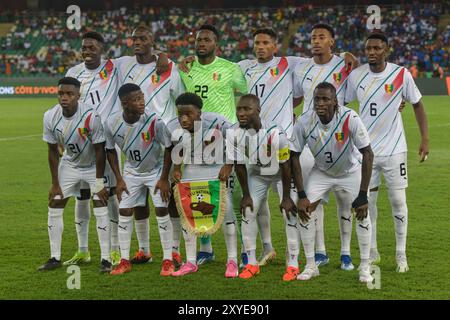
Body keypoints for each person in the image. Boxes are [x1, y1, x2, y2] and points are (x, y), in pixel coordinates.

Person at [345, 33, 429, 272]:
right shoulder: (356, 76)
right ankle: (372, 252)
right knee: (367, 203)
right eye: (368, 48)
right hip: (365, 152)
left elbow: (418, 105)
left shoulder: (401, 74)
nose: (372, 52)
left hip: (394, 151)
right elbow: (341, 103)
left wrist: (425, 139)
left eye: (377, 48)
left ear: (387, 50)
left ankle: (400, 254)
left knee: (398, 201)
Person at [177, 24, 248, 266]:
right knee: (201, 197)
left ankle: (245, 251)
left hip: (224, 139)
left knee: (235, 199)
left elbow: (249, 91)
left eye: (206, 40)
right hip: (196, 139)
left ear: (216, 44)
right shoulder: (186, 69)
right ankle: (206, 249)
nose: (201, 44)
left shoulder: (231, 68)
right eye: (198, 40)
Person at [291, 82, 374, 283]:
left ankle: (365, 265)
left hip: (350, 171)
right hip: (322, 172)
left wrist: (363, 194)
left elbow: (368, 153)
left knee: (362, 212)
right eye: (317, 99)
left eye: (326, 99)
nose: (320, 103)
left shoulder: (349, 117)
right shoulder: (304, 121)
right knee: (304, 210)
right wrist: (301, 195)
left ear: (335, 101)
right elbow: (293, 156)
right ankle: (311, 265)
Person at [116, 25, 185, 267]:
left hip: (163, 139)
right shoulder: (123, 65)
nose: (137, 42)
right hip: (135, 138)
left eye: (143, 38)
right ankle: (144, 250)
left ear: (152, 41)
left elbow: (179, 99)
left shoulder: (169, 68)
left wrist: (176, 134)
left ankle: (174, 250)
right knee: (139, 201)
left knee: (170, 198)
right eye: (134, 39)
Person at [292, 23, 357, 269]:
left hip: (340, 137)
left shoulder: (345, 65)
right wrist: (290, 113)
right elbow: (296, 96)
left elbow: (358, 92)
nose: (316, 40)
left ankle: (345, 253)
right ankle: (320, 251)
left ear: (332, 41)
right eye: (313, 37)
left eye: (322, 37)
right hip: (311, 139)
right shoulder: (302, 67)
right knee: (312, 196)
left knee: (344, 197)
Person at [159, 92, 239, 278]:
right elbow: (174, 147)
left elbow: (237, 140)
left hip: (218, 167)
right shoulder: (172, 126)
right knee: (189, 213)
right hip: (193, 167)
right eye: (180, 114)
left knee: (226, 212)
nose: (183, 118)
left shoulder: (217, 121)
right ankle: (191, 261)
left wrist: (229, 165)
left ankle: (232, 260)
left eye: (189, 114)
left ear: (199, 113)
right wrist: (177, 168)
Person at [38, 77, 112, 273]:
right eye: (61, 93)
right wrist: (55, 183)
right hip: (70, 164)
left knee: (99, 202)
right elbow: (52, 151)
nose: (64, 97)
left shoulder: (91, 116)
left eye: (70, 94)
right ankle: (55, 257)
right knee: (55, 200)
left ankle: (106, 259)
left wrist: (98, 182)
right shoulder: (50, 116)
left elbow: (99, 150)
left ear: (78, 95)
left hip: (92, 166)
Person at [104, 83, 175, 276]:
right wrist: (119, 179)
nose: (142, 101)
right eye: (136, 99)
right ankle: (124, 260)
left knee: (161, 209)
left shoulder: (154, 121)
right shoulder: (111, 123)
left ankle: (168, 259)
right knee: (125, 210)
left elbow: (169, 147)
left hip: (156, 171)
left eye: (142, 97)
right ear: (125, 104)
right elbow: (110, 150)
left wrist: (164, 179)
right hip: (131, 172)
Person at [64, 31, 122, 266]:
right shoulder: (73, 73)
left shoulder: (115, 67)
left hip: (106, 143)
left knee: (108, 196)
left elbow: (147, 56)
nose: (87, 51)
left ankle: (116, 250)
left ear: (102, 49)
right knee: (82, 196)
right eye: (84, 48)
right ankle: (83, 250)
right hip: (80, 145)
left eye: (92, 48)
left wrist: (161, 56)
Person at [231, 94, 297, 280]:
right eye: (239, 109)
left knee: (289, 212)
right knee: (248, 210)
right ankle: (251, 263)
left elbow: (286, 165)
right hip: (258, 174)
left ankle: (293, 263)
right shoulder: (234, 132)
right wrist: (246, 195)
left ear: (258, 111)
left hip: (280, 173)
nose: (241, 113)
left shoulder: (276, 132)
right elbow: (239, 165)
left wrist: (285, 197)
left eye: (247, 109)